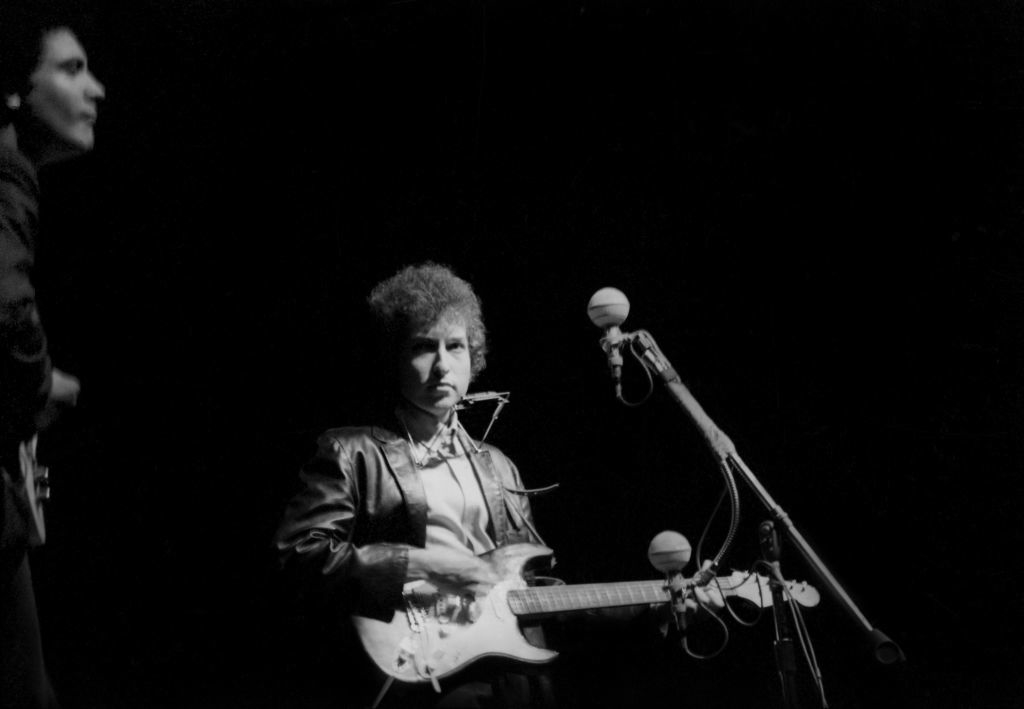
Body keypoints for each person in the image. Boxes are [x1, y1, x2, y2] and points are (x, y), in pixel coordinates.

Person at [274, 263, 556, 709]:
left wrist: (648, 604)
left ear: (473, 355)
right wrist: (420, 564)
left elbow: (533, 587)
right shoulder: (352, 451)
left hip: (512, 677)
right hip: (421, 675)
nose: (442, 365)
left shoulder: (500, 466)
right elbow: (298, 555)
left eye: (455, 346)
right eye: (423, 347)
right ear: (394, 357)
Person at [0, 11, 105, 709]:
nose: (95, 89)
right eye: (71, 69)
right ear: (13, 89)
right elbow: (5, 304)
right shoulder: (5, 169)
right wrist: (39, 386)